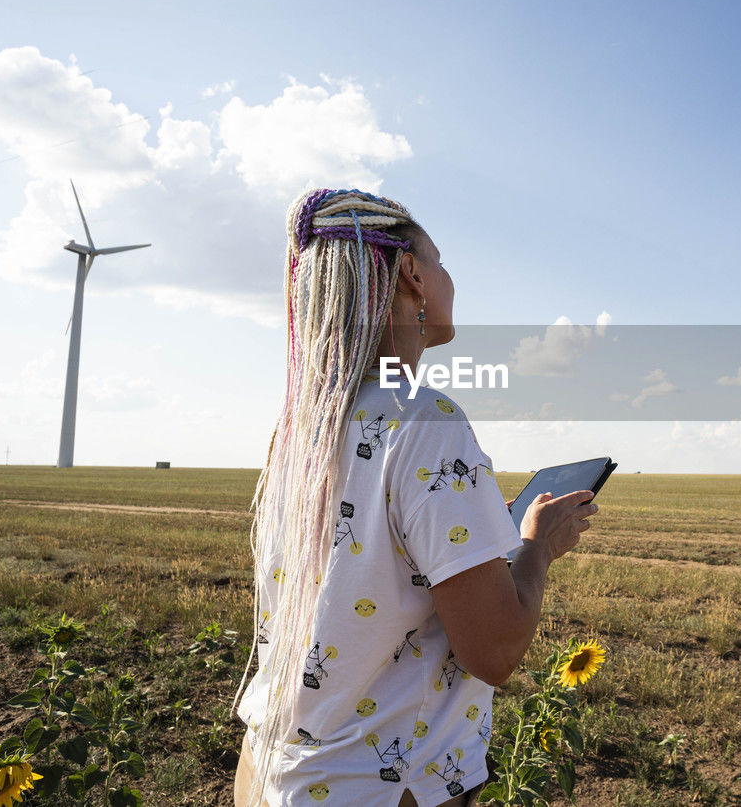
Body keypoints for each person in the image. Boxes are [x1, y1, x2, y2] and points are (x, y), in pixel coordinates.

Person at [231, 189, 597, 806]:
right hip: (377, 788)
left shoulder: (299, 427)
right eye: (443, 261)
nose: (453, 279)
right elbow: (496, 651)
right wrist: (535, 548)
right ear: (413, 275)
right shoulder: (426, 419)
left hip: (273, 773)